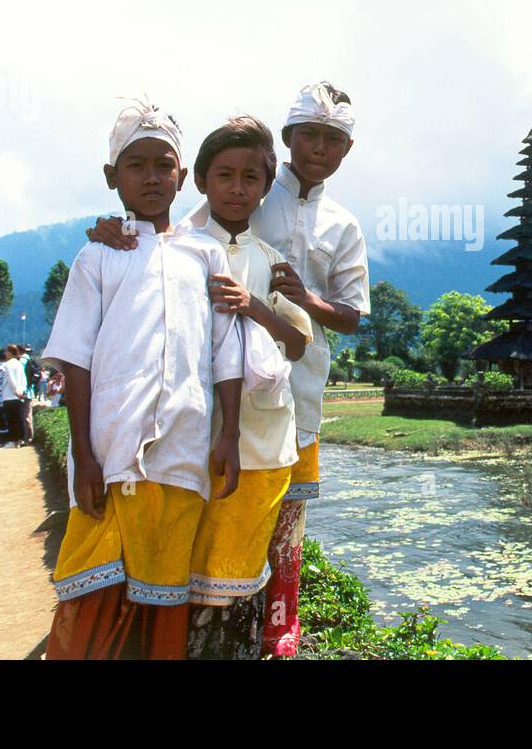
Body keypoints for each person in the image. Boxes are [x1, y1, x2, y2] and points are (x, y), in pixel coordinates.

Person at [88, 81, 370, 656]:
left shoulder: (343, 225)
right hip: (210, 391)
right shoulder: (247, 195)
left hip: (298, 386)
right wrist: (114, 228)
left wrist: (307, 300)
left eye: (333, 139)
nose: (319, 148)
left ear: (346, 151)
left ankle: (281, 621)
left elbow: (352, 315)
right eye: (309, 135)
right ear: (287, 141)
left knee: (283, 512)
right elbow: (164, 232)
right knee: (213, 500)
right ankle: (193, 617)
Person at [41, 99, 244, 660]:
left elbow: (227, 353)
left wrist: (227, 436)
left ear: (183, 177)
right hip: (112, 447)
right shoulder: (98, 256)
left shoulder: (206, 255)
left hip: (184, 448)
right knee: (93, 587)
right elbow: (76, 359)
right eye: (137, 165)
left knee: (165, 593)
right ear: (113, 177)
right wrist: (82, 453)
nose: (152, 176)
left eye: (164, 164)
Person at [184, 118, 314, 659]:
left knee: (242, 568)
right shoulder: (178, 251)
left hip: (262, 435)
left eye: (249, 178)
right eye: (224, 175)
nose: (236, 189)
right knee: (191, 561)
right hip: (192, 432)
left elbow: (298, 343)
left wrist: (253, 306)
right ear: (201, 181)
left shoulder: (268, 262)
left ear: (264, 187)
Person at [1, 343, 29, 447]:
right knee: (18, 418)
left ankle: (12, 440)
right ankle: (19, 440)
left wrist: (15, 390)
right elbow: (23, 379)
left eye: (6, 351)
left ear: (9, 352)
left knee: (11, 419)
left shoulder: (7, 365)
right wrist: (22, 391)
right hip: (19, 396)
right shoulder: (19, 364)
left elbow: (10, 379)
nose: (5, 353)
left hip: (9, 395)